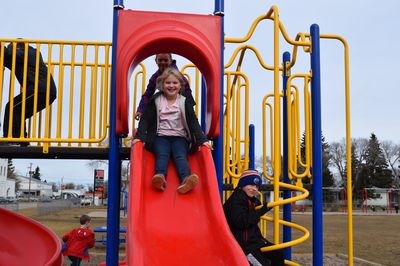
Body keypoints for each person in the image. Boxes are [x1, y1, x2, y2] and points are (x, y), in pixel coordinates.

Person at [133, 67, 211, 194]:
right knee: (162, 154)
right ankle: (160, 177)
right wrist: (140, 137)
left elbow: (193, 121)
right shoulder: (156, 100)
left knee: (180, 155)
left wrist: (203, 140)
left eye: (175, 83)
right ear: (162, 85)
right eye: (168, 83)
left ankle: (186, 180)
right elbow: (145, 119)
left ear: (180, 85)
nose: (171, 86)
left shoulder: (184, 101)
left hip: (180, 137)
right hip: (160, 137)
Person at [223, 169, 284, 266]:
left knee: (278, 253)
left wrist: (258, 206)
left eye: (257, 186)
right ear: (242, 184)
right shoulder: (235, 200)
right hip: (243, 247)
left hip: (255, 242)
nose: (254, 189)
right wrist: (261, 211)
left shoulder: (249, 199)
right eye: (251, 185)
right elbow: (242, 222)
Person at [1, 40, 57, 145]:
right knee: (19, 112)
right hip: (44, 90)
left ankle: (12, 140)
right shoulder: (23, 56)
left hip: (40, 89)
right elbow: (8, 58)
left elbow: (9, 54)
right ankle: (22, 140)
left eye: (11, 48)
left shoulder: (29, 52)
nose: (9, 50)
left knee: (11, 107)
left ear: (17, 47)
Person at [134, 53, 195, 120]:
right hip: (165, 106)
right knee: (154, 101)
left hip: (180, 104)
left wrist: (190, 110)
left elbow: (187, 92)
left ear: (170, 61)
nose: (163, 62)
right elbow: (148, 94)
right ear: (156, 61)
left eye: (165, 60)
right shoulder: (155, 77)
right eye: (160, 60)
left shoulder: (177, 75)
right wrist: (140, 109)